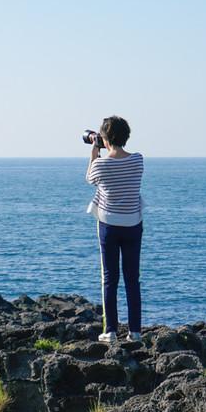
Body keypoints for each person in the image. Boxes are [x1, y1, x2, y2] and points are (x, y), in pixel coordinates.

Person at [85, 115, 144, 343]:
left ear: (105, 138)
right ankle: (135, 331)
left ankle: (110, 330)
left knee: (109, 278)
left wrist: (93, 152)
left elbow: (90, 178)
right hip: (133, 224)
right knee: (132, 279)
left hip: (109, 225)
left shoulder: (100, 164)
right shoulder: (138, 160)